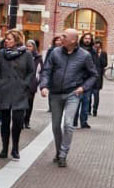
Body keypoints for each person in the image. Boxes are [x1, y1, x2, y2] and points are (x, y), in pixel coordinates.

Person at [39, 29, 98, 168]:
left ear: (73, 40)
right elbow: (47, 70)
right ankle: (59, 150)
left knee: (68, 124)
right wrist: (44, 86)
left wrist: (83, 88)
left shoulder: (84, 56)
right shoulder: (55, 52)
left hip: (73, 93)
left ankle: (63, 154)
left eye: (64, 36)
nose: (61, 37)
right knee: (55, 125)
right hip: (55, 93)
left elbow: (93, 75)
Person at [0, 30, 35, 160]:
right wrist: (0, 83)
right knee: (4, 121)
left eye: (9, 39)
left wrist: (24, 84)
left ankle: (15, 148)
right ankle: (4, 148)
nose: (6, 41)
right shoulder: (0, 54)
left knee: (17, 121)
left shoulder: (26, 54)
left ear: (16, 40)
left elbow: (31, 72)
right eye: (6, 39)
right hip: (5, 90)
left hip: (20, 92)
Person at [73, 32, 98, 128]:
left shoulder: (93, 52)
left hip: (88, 80)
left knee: (86, 102)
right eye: (86, 38)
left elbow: (96, 66)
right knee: (76, 102)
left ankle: (84, 121)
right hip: (78, 80)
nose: (87, 40)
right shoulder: (78, 50)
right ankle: (74, 121)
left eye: (89, 38)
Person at [24, 40, 43, 129]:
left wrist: (37, 81)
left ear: (34, 47)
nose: (28, 48)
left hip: (32, 84)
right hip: (22, 83)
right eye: (27, 46)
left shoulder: (38, 58)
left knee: (29, 103)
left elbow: (41, 71)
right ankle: (20, 121)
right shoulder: (22, 55)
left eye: (30, 46)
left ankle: (27, 121)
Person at [91, 40, 108, 117]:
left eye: (98, 44)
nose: (97, 46)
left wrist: (99, 55)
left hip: (98, 77)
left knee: (96, 94)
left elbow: (105, 64)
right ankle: (88, 109)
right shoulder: (91, 53)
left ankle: (95, 109)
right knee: (88, 95)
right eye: (96, 44)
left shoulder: (103, 53)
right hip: (90, 76)